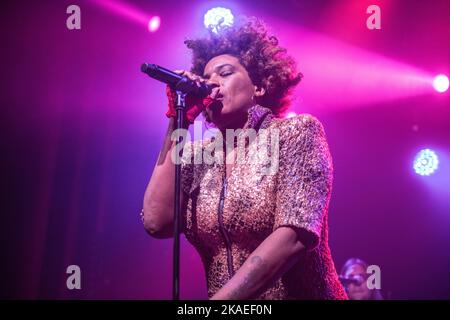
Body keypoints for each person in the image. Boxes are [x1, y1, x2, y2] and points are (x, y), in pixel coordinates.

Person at [142, 17, 347, 300]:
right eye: (206, 78)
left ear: (259, 86)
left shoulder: (295, 132)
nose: (211, 84)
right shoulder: (196, 156)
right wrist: (178, 122)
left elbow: (293, 237)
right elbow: (157, 222)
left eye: (224, 73)